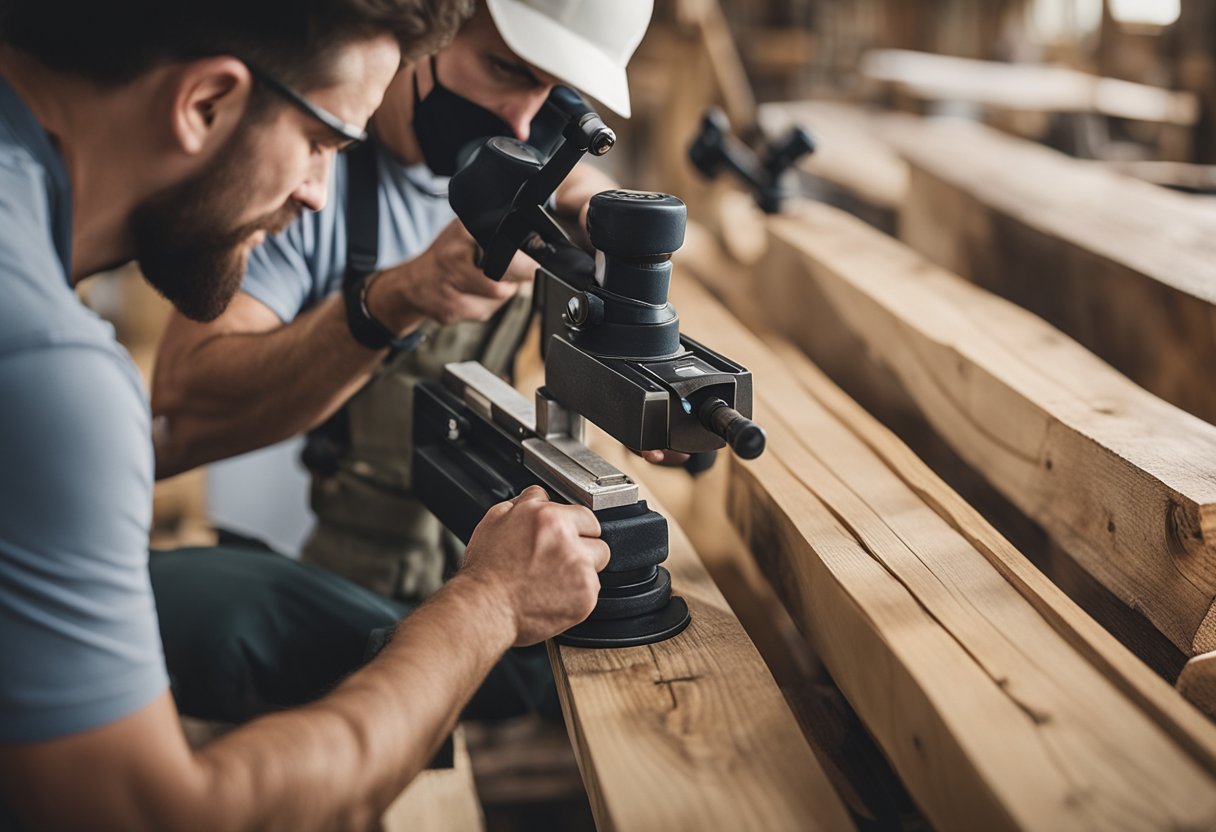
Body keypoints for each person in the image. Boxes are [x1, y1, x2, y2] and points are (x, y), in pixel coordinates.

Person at [0, 1, 610, 828]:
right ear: (206, 103)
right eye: (324, 144)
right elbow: (158, 816)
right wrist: (492, 602)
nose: (318, 195)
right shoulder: (52, 372)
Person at [152, 0, 658, 602]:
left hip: (442, 555)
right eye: (505, 67)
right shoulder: (304, 167)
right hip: (288, 558)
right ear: (429, 27)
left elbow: (581, 191)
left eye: (553, 90)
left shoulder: (532, 145)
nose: (523, 125)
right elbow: (182, 394)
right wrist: (398, 296)